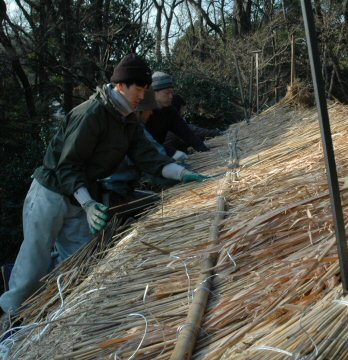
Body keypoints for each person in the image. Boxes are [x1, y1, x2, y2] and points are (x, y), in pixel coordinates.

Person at [0, 54, 207, 323]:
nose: (142, 96)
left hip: (82, 200)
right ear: (121, 85)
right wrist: (88, 204)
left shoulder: (128, 120)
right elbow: (67, 165)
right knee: (32, 263)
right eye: (139, 89)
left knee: (79, 263)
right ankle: (12, 319)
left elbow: (148, 157)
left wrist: (182, 174)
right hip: (51, 193)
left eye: (145, 90)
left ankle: (58, 319)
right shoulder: (90, 113)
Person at [145, 72, 210, 162]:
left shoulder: (170, 111)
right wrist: (171, 152)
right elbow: (144, 141)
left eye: (172, 93)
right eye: (167, 93)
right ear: (154, 93)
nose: (171, 96)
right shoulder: (144, 112)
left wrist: (205, 151)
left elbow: (186, 133)